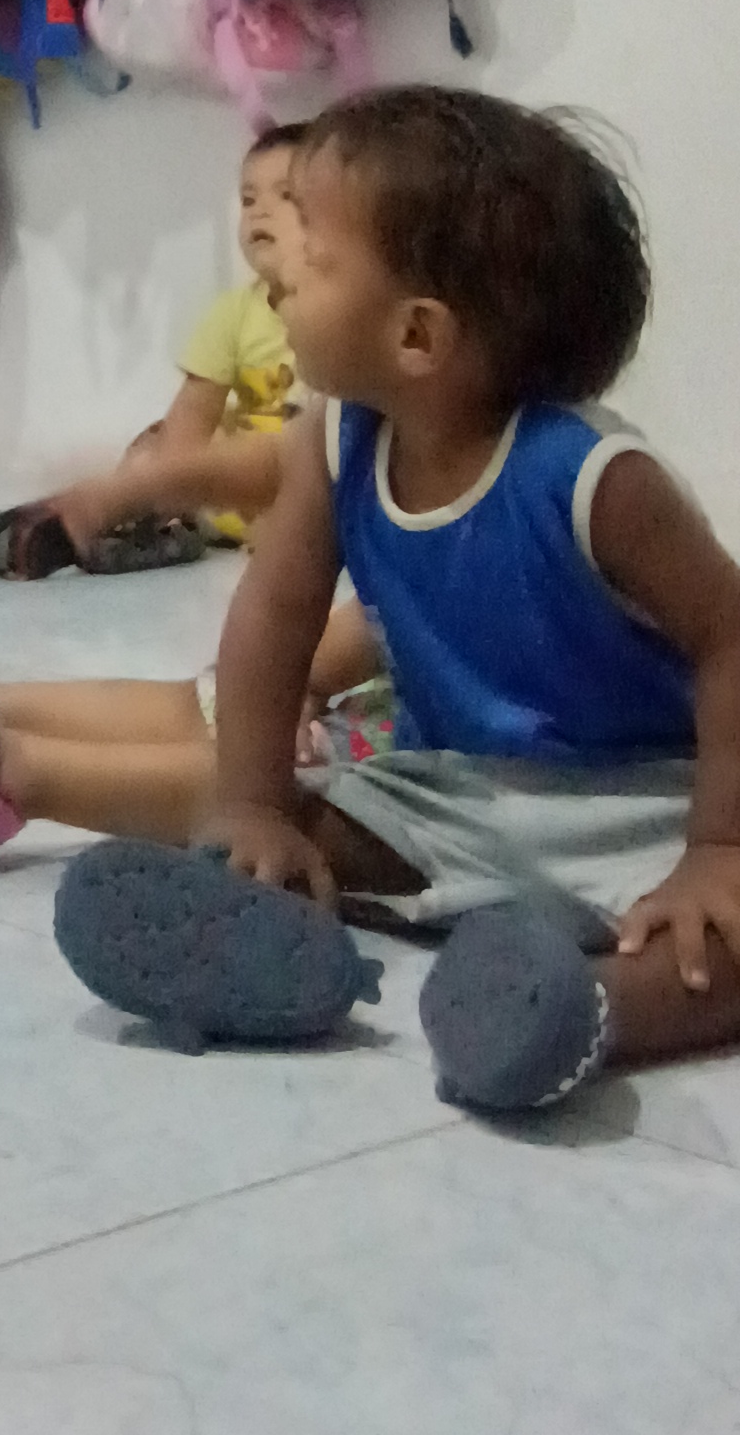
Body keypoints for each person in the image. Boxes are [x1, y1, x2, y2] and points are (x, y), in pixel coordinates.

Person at [48, 88, 740, 1118]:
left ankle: (583, 1010)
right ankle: (282, 953)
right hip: (456, 791)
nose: (279, 271)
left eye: (316, 253)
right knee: (304, 826)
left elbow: (730, 636)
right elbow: (273, 620)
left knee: (717, 931)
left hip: (647, 798)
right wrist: (254, 804)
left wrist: (719, 850)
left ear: (417, 335)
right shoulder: (338, 444)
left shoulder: (596, 481)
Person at [0, 587, 388, 875]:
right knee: (222, 702)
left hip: (401, 764)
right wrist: (295, 682)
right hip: (375, 704)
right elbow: (376, 619)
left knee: (278, 784)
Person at [16, 124, 305, 574]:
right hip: (228, 501)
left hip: (307, 501)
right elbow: (191, 422)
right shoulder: (233, 313)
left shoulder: (350, 316)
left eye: (285, 195)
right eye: (248, 200)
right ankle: (69, 526)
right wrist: (164, 482)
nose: (260, 212)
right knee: (153, 446)